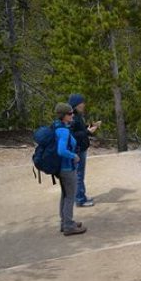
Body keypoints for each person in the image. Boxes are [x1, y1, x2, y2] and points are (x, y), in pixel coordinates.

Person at [53, 102, 86, 236]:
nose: (72, 115)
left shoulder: (57, 127)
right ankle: (68, 225)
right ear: (63, 115)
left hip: (61, 168)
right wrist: (74, 156)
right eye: (70, 113)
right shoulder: (64, 131)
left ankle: (65, 222)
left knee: (65, 195)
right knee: (70, 197)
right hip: (67, 168)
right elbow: (61, 150)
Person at [69, 93, 101, 207]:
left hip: (81, 147)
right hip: (77, 149)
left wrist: (91, 126)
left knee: (79, 174)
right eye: (82, 102)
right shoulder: (72, 117)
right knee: (79, 174)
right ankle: (80, 199)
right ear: (76, 104)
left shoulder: (76, 115)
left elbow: (79, 129)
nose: (84, 104)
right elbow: (71, 134)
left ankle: (80, 195)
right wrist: (88, 132)